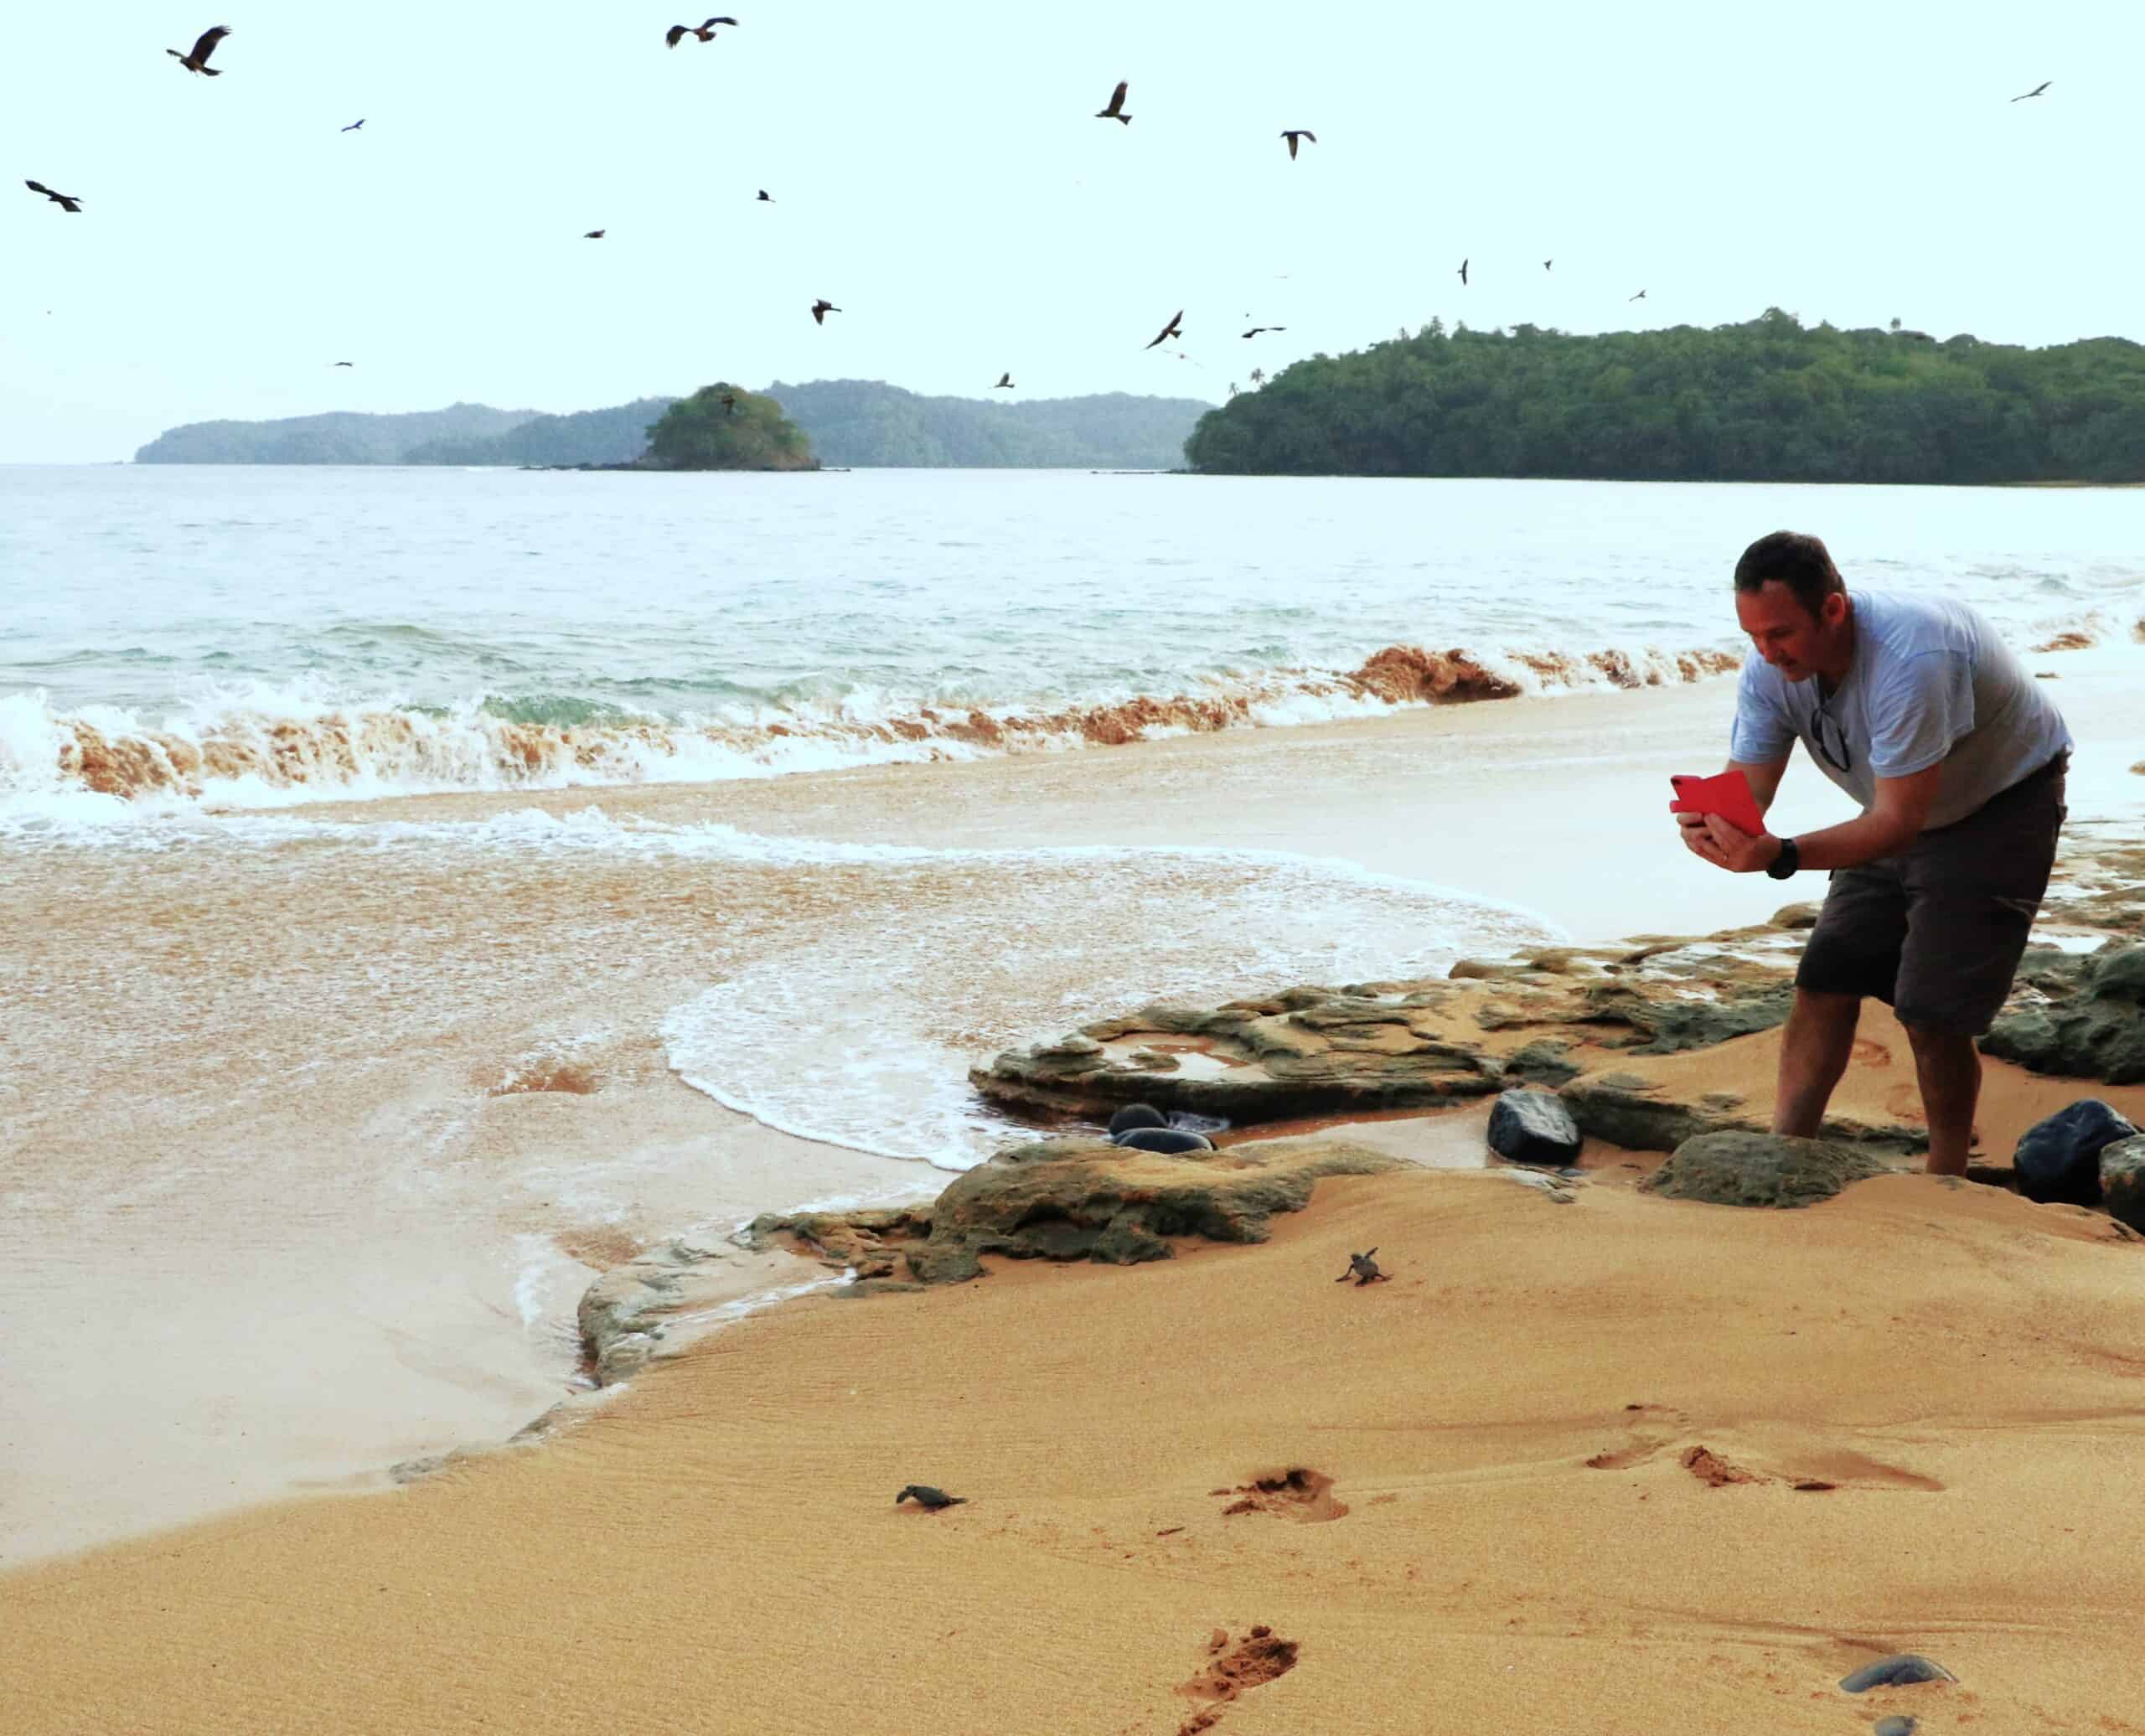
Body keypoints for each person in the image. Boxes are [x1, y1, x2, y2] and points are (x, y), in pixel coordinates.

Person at [1677, 530, 2071, 1177]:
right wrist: (1715, 823)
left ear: (1834, 609)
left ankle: (1948, 1175)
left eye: (1780, 634)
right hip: (1892, 806)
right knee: (1825, 975)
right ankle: (1788, 1149)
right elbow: (1750, 788)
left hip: (1998, 806)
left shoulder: (1913, 657)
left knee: (1932, 1010)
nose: (1766, 653)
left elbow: (1895, 825)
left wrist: (1779, 856)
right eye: (1752, 636)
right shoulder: (1770, 670)